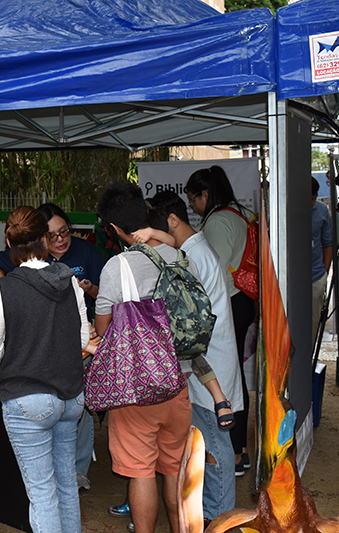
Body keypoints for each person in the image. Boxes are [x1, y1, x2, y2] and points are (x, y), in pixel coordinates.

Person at [0, 206, 90, 533]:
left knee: (42, 493)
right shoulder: (71, 282)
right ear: (45, 239)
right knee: (66, 484)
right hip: (70, 395)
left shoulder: (3, 288)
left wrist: (19, 346)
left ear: (9, 244)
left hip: (27, 399)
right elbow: (82, 339)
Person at [95, 181, 195, 533]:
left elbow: (104, 327)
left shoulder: (118, 267)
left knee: (140, 471)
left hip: (136, 389)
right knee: (174, 468)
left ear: (115, 228)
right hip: (178, 380)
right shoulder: (180, 257)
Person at [140, 190, 243, 521]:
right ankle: (215, 512)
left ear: (172, 221)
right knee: (210, 442)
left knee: (214, 445)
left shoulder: (192, 256)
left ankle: (219, 516)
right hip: (210, 359)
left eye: (157, 230)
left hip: (207, 362)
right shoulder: (197, 248)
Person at [185, 165, 256, 476]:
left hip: (227, 304)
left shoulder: (217, 221)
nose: (193, 207)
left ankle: (235, 453)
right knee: (235, 377)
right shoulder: (241, 212)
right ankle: (241, 450)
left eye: (194, 200)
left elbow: (211, 271)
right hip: (243, 300)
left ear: (205, 194)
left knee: (225, 378)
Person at [311, 177, 333, 340]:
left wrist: (324, 273)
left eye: (315, 198)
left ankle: (308, 355)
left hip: (316, 276)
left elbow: (328, 244)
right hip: (289, 278)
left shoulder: (322, 210)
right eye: (310, 199)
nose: (313, 202)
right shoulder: (283, 209)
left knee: (313, 323)